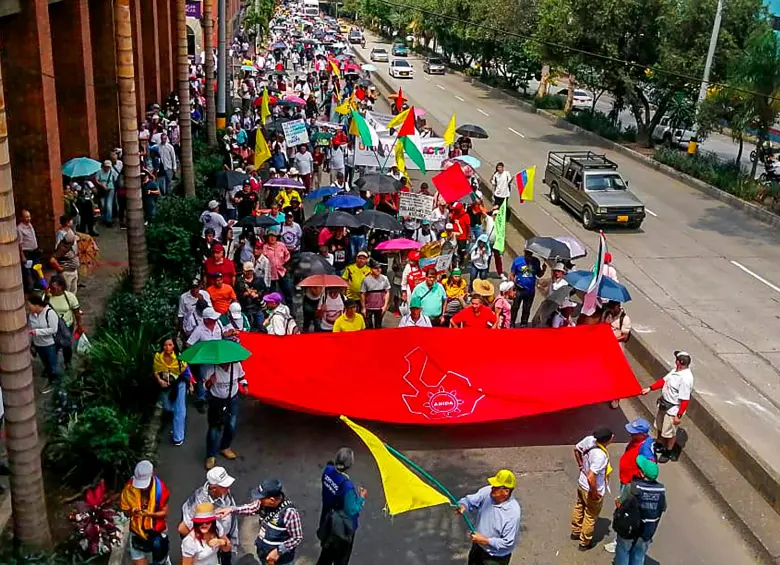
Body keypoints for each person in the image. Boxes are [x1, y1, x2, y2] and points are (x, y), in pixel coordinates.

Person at [218, 478, 303, 565]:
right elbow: (250, 508)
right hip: (264, 553)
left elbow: (297, 537)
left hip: (281, 560)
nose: (258, 500)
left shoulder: (290, 513)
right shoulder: (262, 503)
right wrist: (232, 509)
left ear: (272, 500)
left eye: (261, 498)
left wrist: (278, 551)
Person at [603, 418, 656, 554]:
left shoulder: (645, 448)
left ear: (643, 434)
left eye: (634, 433)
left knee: (624, 513)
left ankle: (620, 541)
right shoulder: (637, 441)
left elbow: (650, 466)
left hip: (631, 485)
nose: (631, 434)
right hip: (626, 481)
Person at [457, 470, 522, 565]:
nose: (492, 488)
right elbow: (470, 500)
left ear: (506, 491)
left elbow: (507, 543)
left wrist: (485, 540)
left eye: (496, 487)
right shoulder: (488, 492)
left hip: (495, 558)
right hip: (478, 547)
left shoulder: (513, 513)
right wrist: (463, 505)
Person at [641, 350, 694, 463]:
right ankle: (660, 443)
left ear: (679, 362)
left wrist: (678, 416)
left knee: (670, 432)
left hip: (673, 409)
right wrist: (650, 388)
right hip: (664, 404)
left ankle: (668, 450)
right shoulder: (675, 371)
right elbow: (663, 381)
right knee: (660, 426)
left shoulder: (685, 379)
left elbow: (685, 400)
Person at [316, 448, 367, 565]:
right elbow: (352, 510)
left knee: (325, 555)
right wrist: (361, 498)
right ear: (350, 465)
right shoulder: (346, 486)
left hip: (327, 520)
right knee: (341, 559)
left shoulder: (327, 471)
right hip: (342, 527)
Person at [179, 467, 239, 565]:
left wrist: (222, 541)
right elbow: (182, 529)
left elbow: (231, 519)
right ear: (214, 488)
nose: (228, 488)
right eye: (224, 486)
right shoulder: (199, 502)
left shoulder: (224, 493)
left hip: (221, 538)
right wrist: (199, 545)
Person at [613, 456, 666, 565]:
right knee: (639, 555)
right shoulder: (660, 490)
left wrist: (618, 502)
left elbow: (620, 503)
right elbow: (663, 507)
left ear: (642, 474)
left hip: (629, 528)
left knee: (623, 551)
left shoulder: (631, 487)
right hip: (648, 531)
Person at [120, 460, 171, 565]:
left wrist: (149, 514)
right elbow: (125, 510)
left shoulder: (160, 490)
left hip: (156, 533)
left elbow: (164, 513)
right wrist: (132, 511)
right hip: (137, 532)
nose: (142, 488)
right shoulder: (129, 489)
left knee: (159, 561)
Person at [571, 427, 614, 550]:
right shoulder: (600, 456)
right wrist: (594, 492)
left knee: (579, 506)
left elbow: (576, 449)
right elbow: (591, 477)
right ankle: (584, 542)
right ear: (608, 440)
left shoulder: (589, 440)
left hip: (581, 483)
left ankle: (575, 531)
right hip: (591, 489)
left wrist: (580, 465)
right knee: (590, 515)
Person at [204, 361, 248, 470]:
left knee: (231, 425)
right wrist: (210, 382)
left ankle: (225, 447)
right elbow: (205, 387)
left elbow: (242, 377)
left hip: (232, 400)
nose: (226, 365)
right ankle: (210, 456)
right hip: (217, 402)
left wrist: (245, 385)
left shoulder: (236, 365)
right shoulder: (211, 368)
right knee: (214, 429)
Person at [153, 338, 191, 447]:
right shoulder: (158, 358)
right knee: (168, 407)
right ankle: (176, 422)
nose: (167, 347)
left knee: (180, 411)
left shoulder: (179, 358)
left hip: (179, 384)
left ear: (173, 346)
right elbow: (156, 371)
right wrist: (160, 381)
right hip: (165, 386)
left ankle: (178, 437)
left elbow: (186, 371)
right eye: (165, 345)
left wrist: (191, 384)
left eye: (170, 345)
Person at [48, 275, 82, 372]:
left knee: (66, 345)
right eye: (51, 287)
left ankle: (67, 362)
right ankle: (52, 366)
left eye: (54, 288)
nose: (52, 290)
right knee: (53, 346)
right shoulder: (47, 297)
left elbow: (76, 312)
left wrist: (79, 325)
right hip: (52, 326)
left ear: (61, 287)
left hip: (67, 325)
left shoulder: (70, 297)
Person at [27, 293, 60, 393]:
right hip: (38, 344)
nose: (29, 308)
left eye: (30, 305)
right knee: (46, 363)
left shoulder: (49, 313)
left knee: (52, 364)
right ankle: (51, 377)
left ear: (37, 305)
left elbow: (53, 329)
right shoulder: (32, 315)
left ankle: (55, 383)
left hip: (49, 344)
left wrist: (37, 332)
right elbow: (30, 328)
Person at [510, 249, 545, 327]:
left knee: (527, 308)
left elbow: (539, 275)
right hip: (519, 289)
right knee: (515, 307)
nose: (528, 255)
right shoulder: (518, 261)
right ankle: (512, 323)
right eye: (527, 253)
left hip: (530, 290)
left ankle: (524, 323)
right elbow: (512, 274)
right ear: (524, 252)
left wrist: (543, 270)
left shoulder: (536, 261)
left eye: (530, 253)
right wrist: (512, 287)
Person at [262, 232, 293, 308]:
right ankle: (272, 309)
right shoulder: (265, 247)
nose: (272, 238)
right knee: (272, 293)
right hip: (270, 273)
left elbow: (287, 255)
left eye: (274, 236)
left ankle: (290, 310)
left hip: (281, 271)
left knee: (287, 290)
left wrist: (285, 263)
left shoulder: (281, 245)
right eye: (270, 236)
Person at [51, 217, 80, 293]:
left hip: (73, 270)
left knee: (73, 292)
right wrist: (60, 269)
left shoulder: (70, 231)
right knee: (66, 292)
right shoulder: (63, 248)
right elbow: (52, 259)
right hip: (66, 273)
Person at [235, 262, 267, 330]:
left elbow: (265, 291)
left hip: (257, 306)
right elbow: (236, 294)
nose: (249, 273)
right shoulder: (239, 281)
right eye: (247, 271)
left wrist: (258, 294)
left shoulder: (259, 279)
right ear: (244, 271)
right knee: (249, 326)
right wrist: (245, 294)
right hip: (245, 307)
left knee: (261, 325)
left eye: (251, 271)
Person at [360, 260, 390, 329]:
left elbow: (387, 292)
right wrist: (363, 307)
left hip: (380, 306)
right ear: (371, 269)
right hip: (369, 307)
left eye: (379, 268)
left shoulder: (384, 278)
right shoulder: (366, 280)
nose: (378, 270)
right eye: (376, 268)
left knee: (378, 326)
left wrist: (385, 306)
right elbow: (362, 294)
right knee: (369, 326)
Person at [17, 209, 40, 293]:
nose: (29, 218)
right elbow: (19, 243)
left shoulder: (30, 225)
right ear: (21, 218)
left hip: (34, 251)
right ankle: (30, 288)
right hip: (27, 253)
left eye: (29, 216)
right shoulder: (19, 229)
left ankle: (37, 284)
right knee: (28, 272)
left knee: (36, 269)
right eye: (26, 217)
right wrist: (22, 255)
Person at [95, 159, 119, 226]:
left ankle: (109, 220)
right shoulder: (99, 172)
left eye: (109, 167)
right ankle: (104, 218)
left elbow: (116, 179)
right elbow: (96, 180)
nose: (107, 168)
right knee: (103, 205)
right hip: (102, 189)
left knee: (109, 204)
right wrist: (102, 185)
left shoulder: (112, 172)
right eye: (106, 166)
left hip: (110, 189)